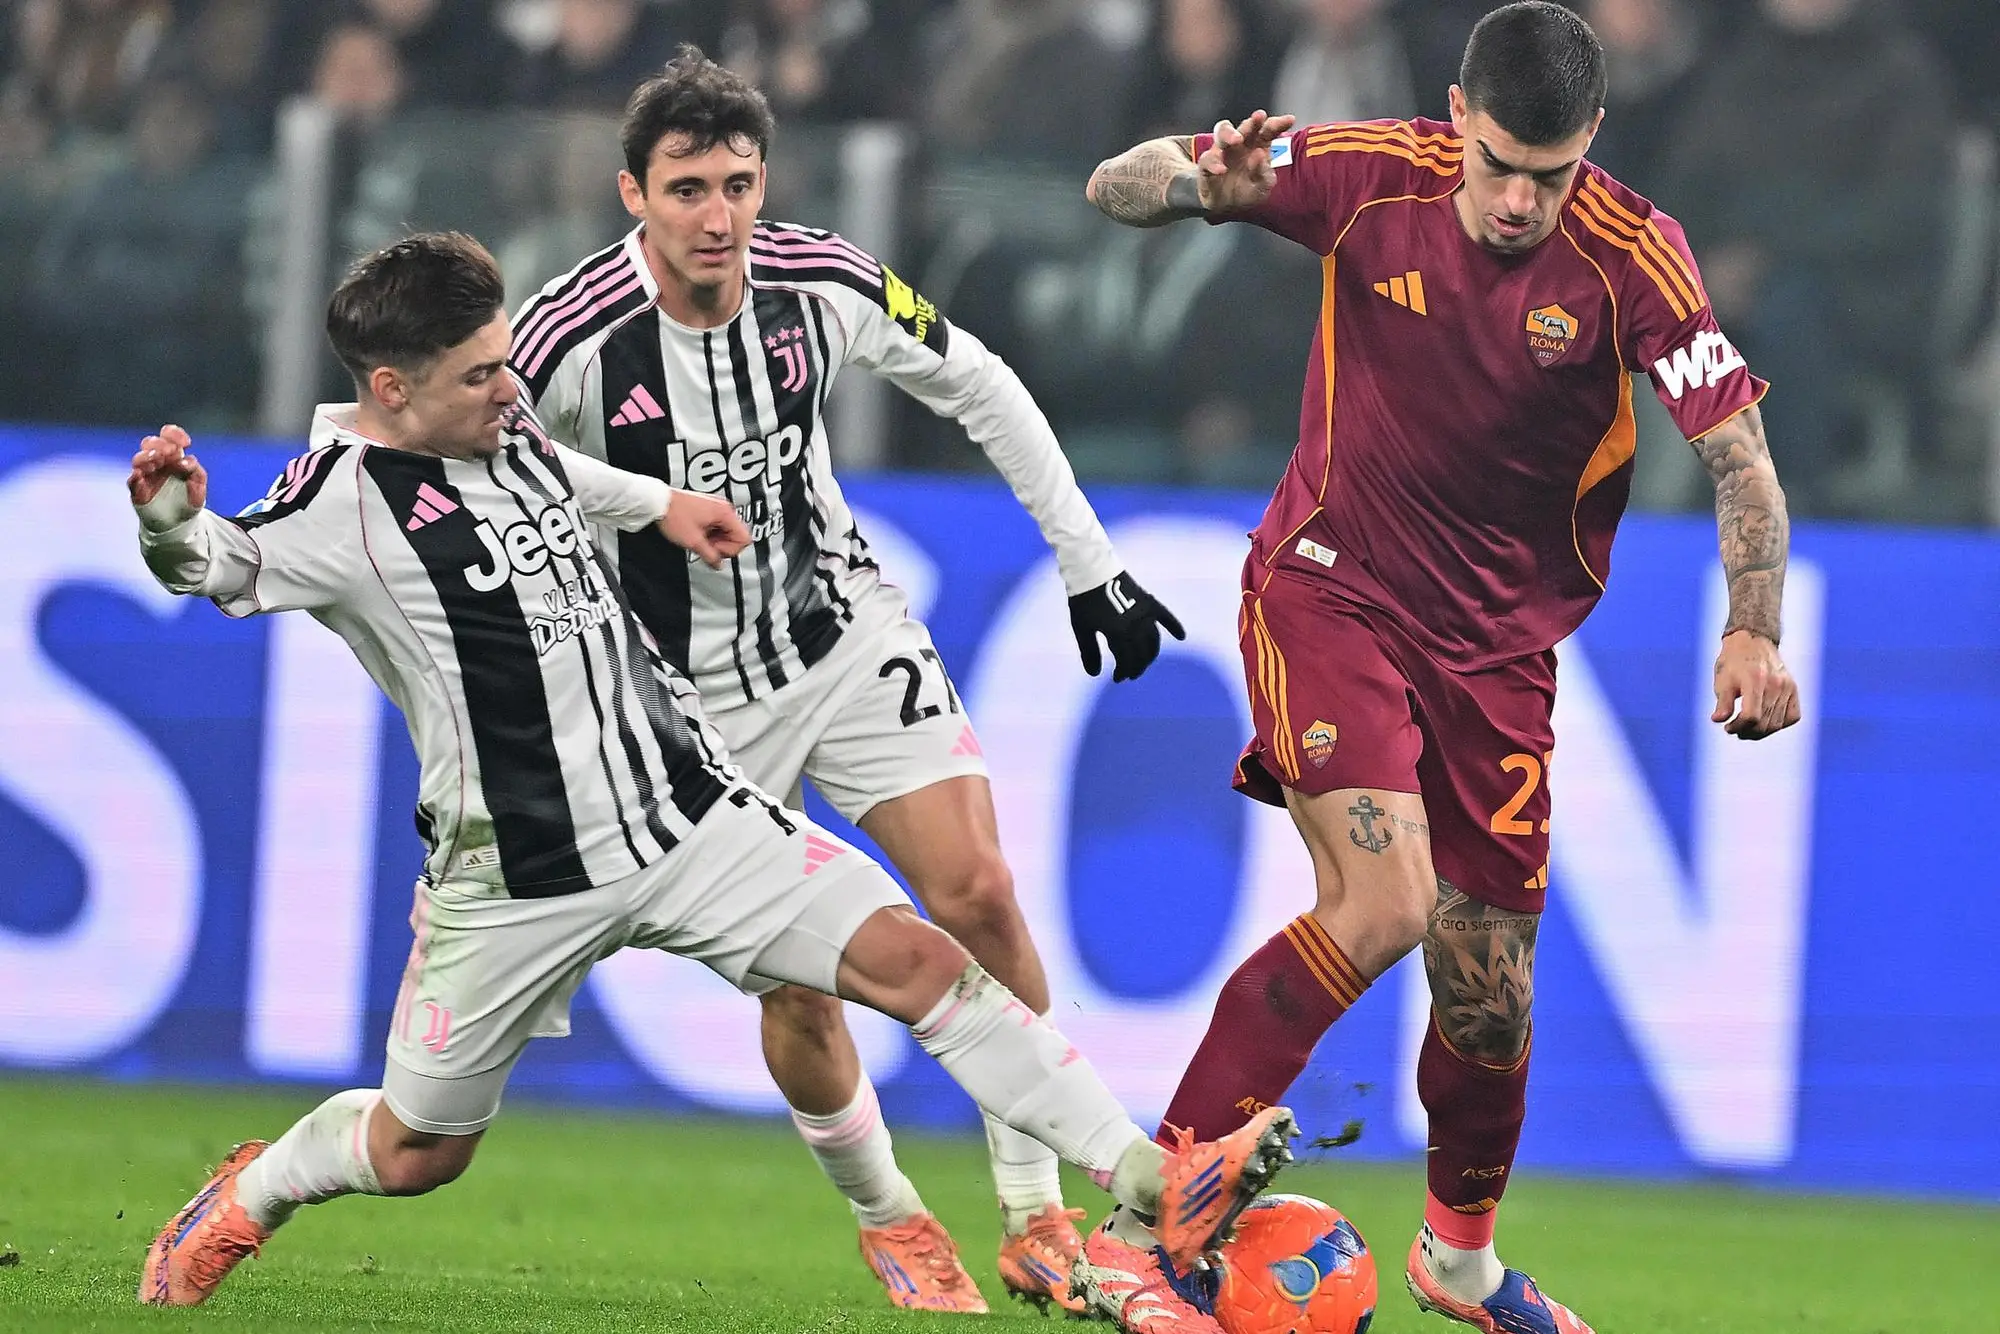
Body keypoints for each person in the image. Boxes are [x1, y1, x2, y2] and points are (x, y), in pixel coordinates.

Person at [129, 230, 1297, 1310]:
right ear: (391, 389)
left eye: (503, 361)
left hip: (688, 812)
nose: (511, 385)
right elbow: (218, 563)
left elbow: (561, 479)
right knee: (417, 1149)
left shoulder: (500, 424)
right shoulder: (337, 503)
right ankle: (258, 1184)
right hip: (519, 872)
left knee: (916, 956)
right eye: (479, 372)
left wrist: (663, 504)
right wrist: (170, 521)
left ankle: (1149, 1176)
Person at [1078, 5, 1802, 1332]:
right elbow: (1112, 182)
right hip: (1330, 589)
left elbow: (1741, 459)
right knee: (1385, 897)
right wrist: (1197, 187)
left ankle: (1456, 1259)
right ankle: (1135, 1222)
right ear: (1459, 113)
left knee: (1489, 984)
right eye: (1500, 164)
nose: (1521, 199)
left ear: (1592, 140)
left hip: (1500, 654)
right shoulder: (1365, 172)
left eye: (1553, 170)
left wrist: (1752, 622)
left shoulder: (1637, 254)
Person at [508, 47, 1186, 1314]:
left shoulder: (819, 281)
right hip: (688, 700)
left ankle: (1037, 1218)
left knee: (977, 889)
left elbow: (978, 382)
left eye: (739, 183)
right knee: (800, 983)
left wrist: (1084, 561)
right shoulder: (568, 335)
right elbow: (480, 478)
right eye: (687, 188)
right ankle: (888, 1214)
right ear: (631, 196)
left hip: (836, 633)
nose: (718, 216)